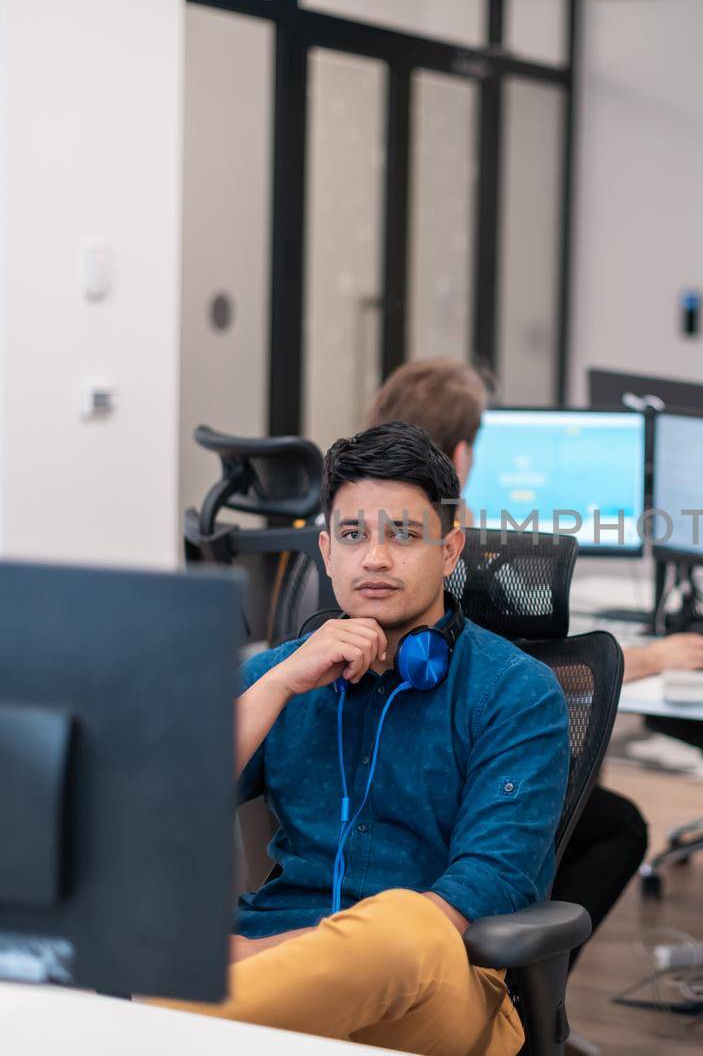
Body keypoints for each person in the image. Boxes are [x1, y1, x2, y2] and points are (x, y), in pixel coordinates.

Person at [158, 421, 569, 1056]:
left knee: (404, 924)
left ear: (450, 549)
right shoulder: (284, 674)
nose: (375, 558)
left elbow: (481, 887)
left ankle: (155, 1021)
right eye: (354, 535)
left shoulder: (516, 690)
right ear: (326, 552)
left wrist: (252, 955)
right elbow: (167, 806)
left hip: (437, 981)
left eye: (403, 535)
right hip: (275, 967)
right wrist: (274, 688)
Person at [366, 358, 703, 964]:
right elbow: (537, 669)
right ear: (462, 456)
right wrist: (656, 656)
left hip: (377, 774)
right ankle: (529, 988)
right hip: (446, 775)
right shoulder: (450, 550)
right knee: (619, 827)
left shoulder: (357, 532)